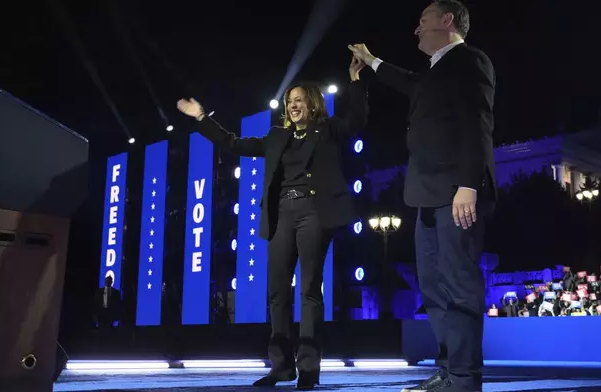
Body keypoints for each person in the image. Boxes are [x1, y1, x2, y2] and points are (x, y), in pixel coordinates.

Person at [177, 56, 367, 390]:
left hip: (315, 212)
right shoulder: (276, 136)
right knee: (278, 292)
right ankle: (281, 367)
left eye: (299, 101)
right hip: (281, 214)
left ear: (312, 104)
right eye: (289, 101)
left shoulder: (329, 129)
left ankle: (308, 368)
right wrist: (202, 118)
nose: (292, 106)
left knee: (309, 290)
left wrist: (354, 80)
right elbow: (233, 144)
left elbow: (357, 117)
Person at [349, 1, 495, 391]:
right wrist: (371, 60)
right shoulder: (432, 71)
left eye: (423, 21)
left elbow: (477, 122)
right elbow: (407, 81)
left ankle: (465, 379)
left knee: (459, 284)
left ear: (447, 21)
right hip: (425, 194)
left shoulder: (469, 61)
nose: (416, 29)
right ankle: (448, 371)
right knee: (432, 288)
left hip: (455, 192)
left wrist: (469, 184)